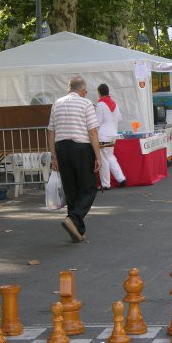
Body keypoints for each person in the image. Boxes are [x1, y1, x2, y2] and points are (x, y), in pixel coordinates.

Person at [48, 76, 101, 243]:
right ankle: (74, 218)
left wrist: (54, 155)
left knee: (71, 189)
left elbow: (51, 131)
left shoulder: (57, 103)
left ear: (69, 89)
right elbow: (92, 132)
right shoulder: (86, 104)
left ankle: (77, 230)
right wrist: (98, 156)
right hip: (81, 148)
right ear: (83, 91)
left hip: (62, 148)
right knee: (89, 188)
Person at [95, 84, 126, 190]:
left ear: (99, 92)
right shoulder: (114, 104)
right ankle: (121, 178)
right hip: (113, 134)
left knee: (104, 159)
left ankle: (105, 184)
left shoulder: (100, 105)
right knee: (110, 157)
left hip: (104, 135)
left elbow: (97, 122)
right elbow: (120, 118)